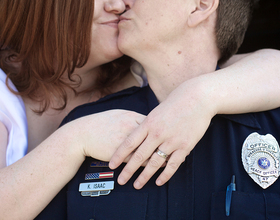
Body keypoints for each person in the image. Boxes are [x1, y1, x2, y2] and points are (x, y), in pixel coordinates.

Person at [1, 0, 280, 219]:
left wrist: (198, 98)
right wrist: (76, 138)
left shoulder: (263, 106)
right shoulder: (85, 122)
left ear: (201, 5)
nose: (120, 4)